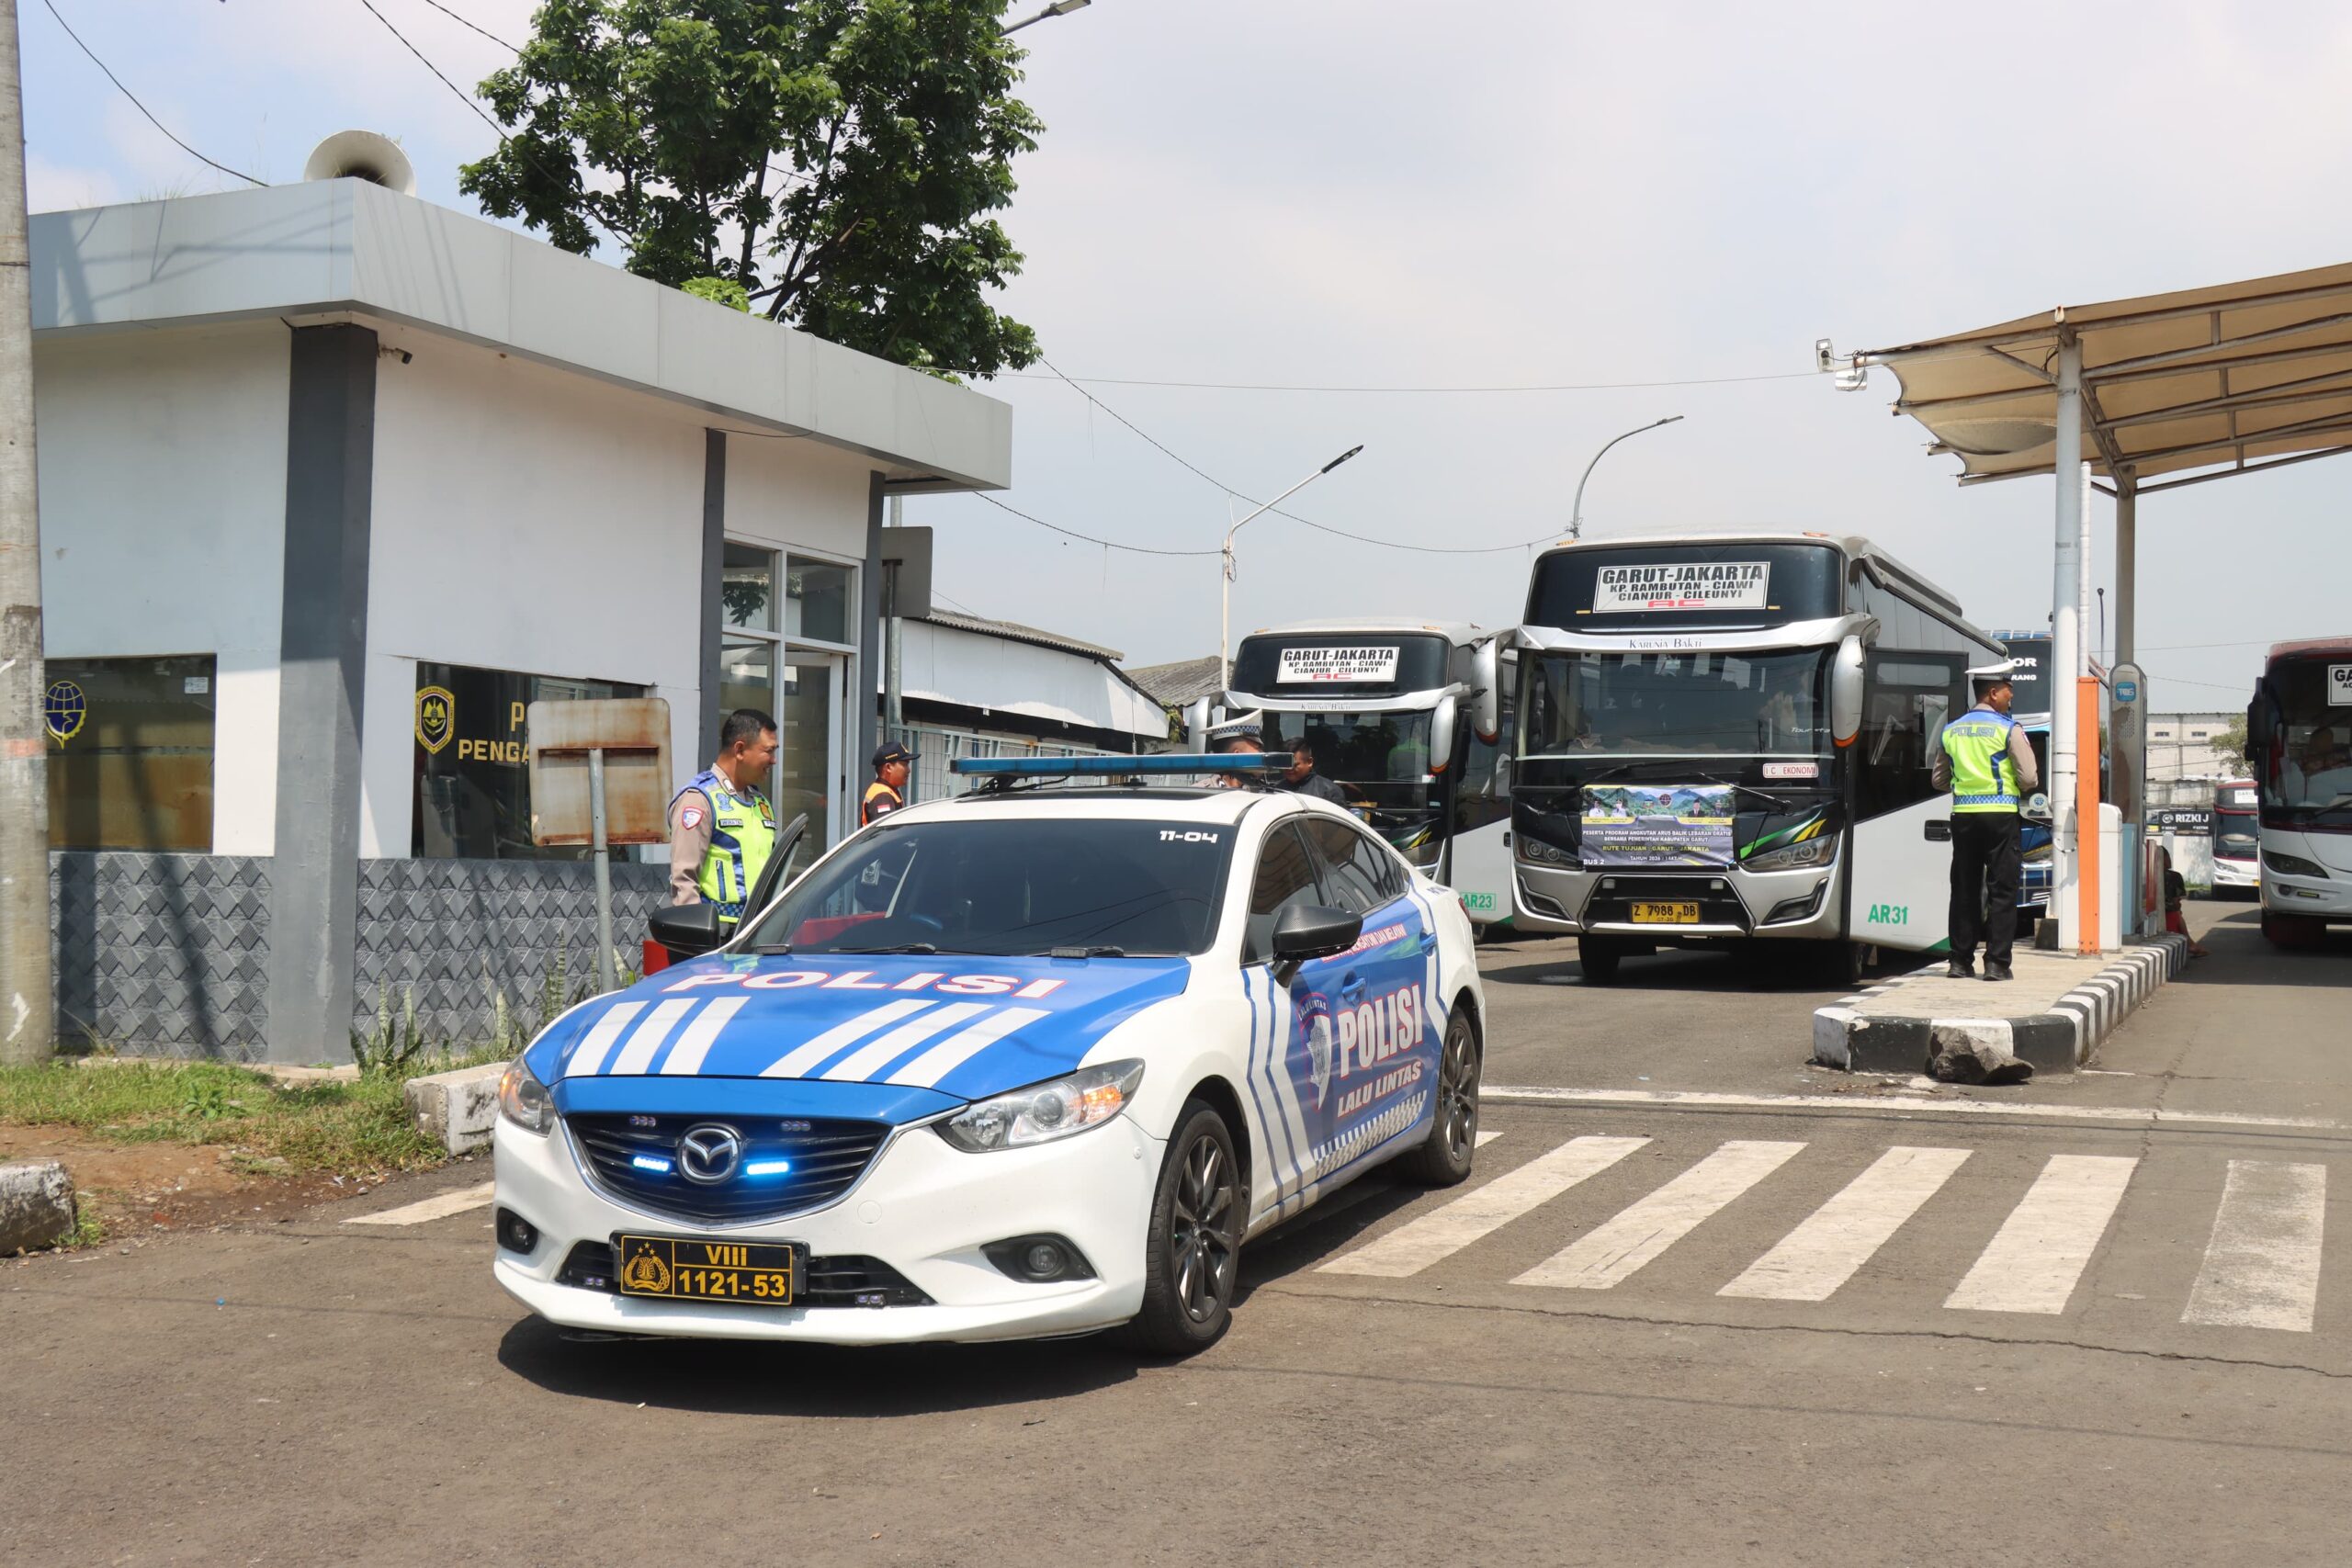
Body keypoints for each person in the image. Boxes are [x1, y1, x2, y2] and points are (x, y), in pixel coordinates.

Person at [1930, 661, 2041, 981]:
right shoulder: (2008, 729)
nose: (2011, 696)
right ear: (1993, 693)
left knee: (1964, 889)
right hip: (2001, 817)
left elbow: (1939, 779)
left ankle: (1959, 962)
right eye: (2008, 690)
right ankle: (1996, 964)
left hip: (1964, 818)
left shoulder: (1951, 730)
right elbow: (2029, 778)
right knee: (2002, 890)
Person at [668, 709, 780, 927]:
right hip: (717, 936)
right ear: (740, 750)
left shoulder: (760, 803)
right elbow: (684, 881)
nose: (774, 760)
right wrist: (696, 933)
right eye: (768, 751)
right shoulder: (699, 799)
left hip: (759, 932)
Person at [1281, 737, 1349, 805]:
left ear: (1309, 762)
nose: (1289, 769)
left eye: (1294, 765)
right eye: (1285, 764)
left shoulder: (1330, 792)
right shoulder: (1277, 789)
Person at [864, 741, 917, 826]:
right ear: (888, 767)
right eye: (904, 764)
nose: (909, 770)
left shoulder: (888, 791)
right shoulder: (883, 796)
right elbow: (886, 831)